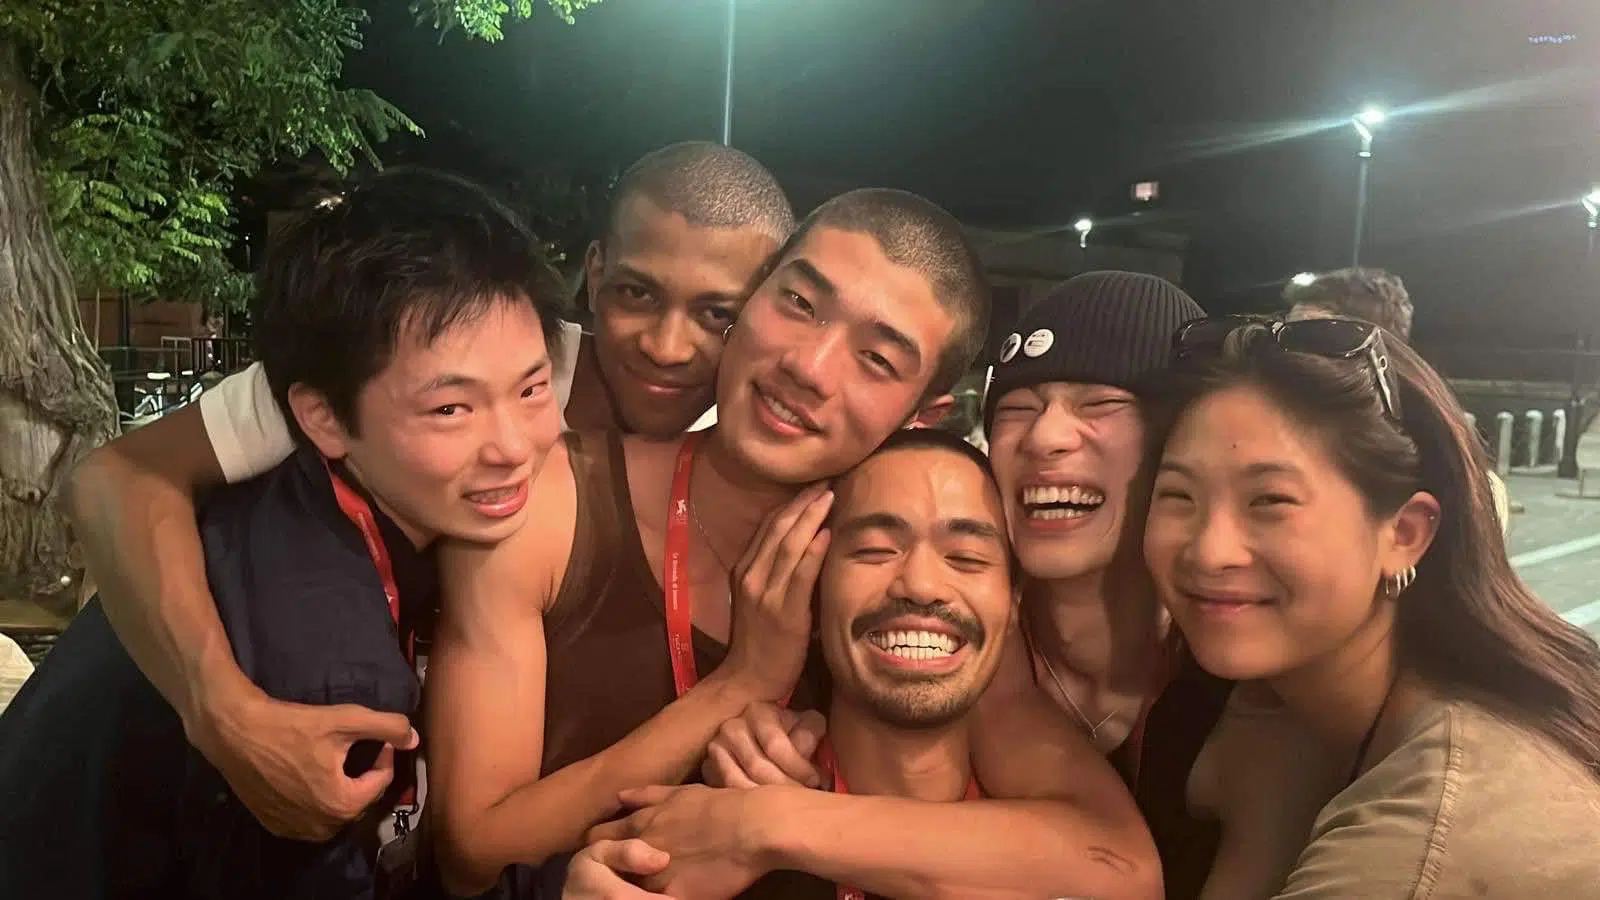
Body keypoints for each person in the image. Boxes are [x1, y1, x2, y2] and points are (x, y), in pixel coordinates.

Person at [426, 189, 1161, 899]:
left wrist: (763, 824)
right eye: (800, 304)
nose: (808, 368)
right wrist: (740, 685)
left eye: (878, 360)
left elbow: (1117, 862)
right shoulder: (553, 502)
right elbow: (470, 855)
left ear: (922, 414)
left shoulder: (912, 583)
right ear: (751, 300)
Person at [60, 141, 792, 843]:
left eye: (717, 314)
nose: (667, 345)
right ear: (595, 273)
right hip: (148, 762)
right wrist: (222, 709)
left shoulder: (736, 446)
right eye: (638, 292)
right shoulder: (458, 346)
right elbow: (116, 477)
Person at [0, 168, 569, 898]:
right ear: (322, 418)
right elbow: (111, 476)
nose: (513, 446)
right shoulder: (328, 681)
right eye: (450, 410)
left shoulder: (302, 494)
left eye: (532, 389)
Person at [702, 273, 1235, 899]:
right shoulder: (964, 645)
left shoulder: (1239, 669)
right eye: (1016, 410)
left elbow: (1120, 867)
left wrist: (762, 824)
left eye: (1101, 404)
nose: (1045, 437)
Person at [564, 429, 1158, 899]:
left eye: (967, 557)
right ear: (811, 589)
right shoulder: (700, 839)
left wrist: (763, 823)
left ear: (1013, 603)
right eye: (875, 550)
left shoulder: (1054, 856)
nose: (922, 584)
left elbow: (1123, 869)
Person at [1146, 315, 1600, 898]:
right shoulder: (1313, 713)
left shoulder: (1423, 835)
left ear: (1404, 534)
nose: (1210, 551)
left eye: (1270, 501)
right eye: (1178, 495)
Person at [1283, 267, 1512, 533]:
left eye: (1308, 339)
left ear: (1373, 348)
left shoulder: (1453, 478)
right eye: (1283, 334)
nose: (1285, 353)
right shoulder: (1276, 420)